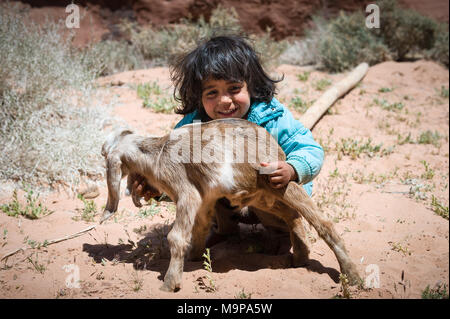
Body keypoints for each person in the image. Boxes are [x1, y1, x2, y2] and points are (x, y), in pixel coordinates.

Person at [131, 35, 324, 246]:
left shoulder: (270, 117)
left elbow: (308, 148)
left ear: (251, 86)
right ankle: (226, 228)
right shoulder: (193, 128)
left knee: (267, 184)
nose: (224, 101)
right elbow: (180, 177)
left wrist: (292, 168)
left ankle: (281, 231)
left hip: (268, 192)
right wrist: (157, 187)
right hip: (227, 197)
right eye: (212, 92)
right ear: (198, 97)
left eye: (234, 89)